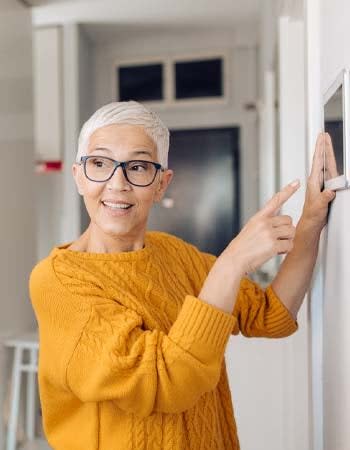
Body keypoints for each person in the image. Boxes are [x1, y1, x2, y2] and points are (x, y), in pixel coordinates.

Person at [29, 101, 335, 450]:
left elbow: (270, 314)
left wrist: (311, 219)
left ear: (161, 184)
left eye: (139, 167)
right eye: (100, 163)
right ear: (79, 176)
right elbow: (164, 381)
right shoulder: (58, 281)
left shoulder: (175, 254)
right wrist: (231, 262)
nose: (117, 183)